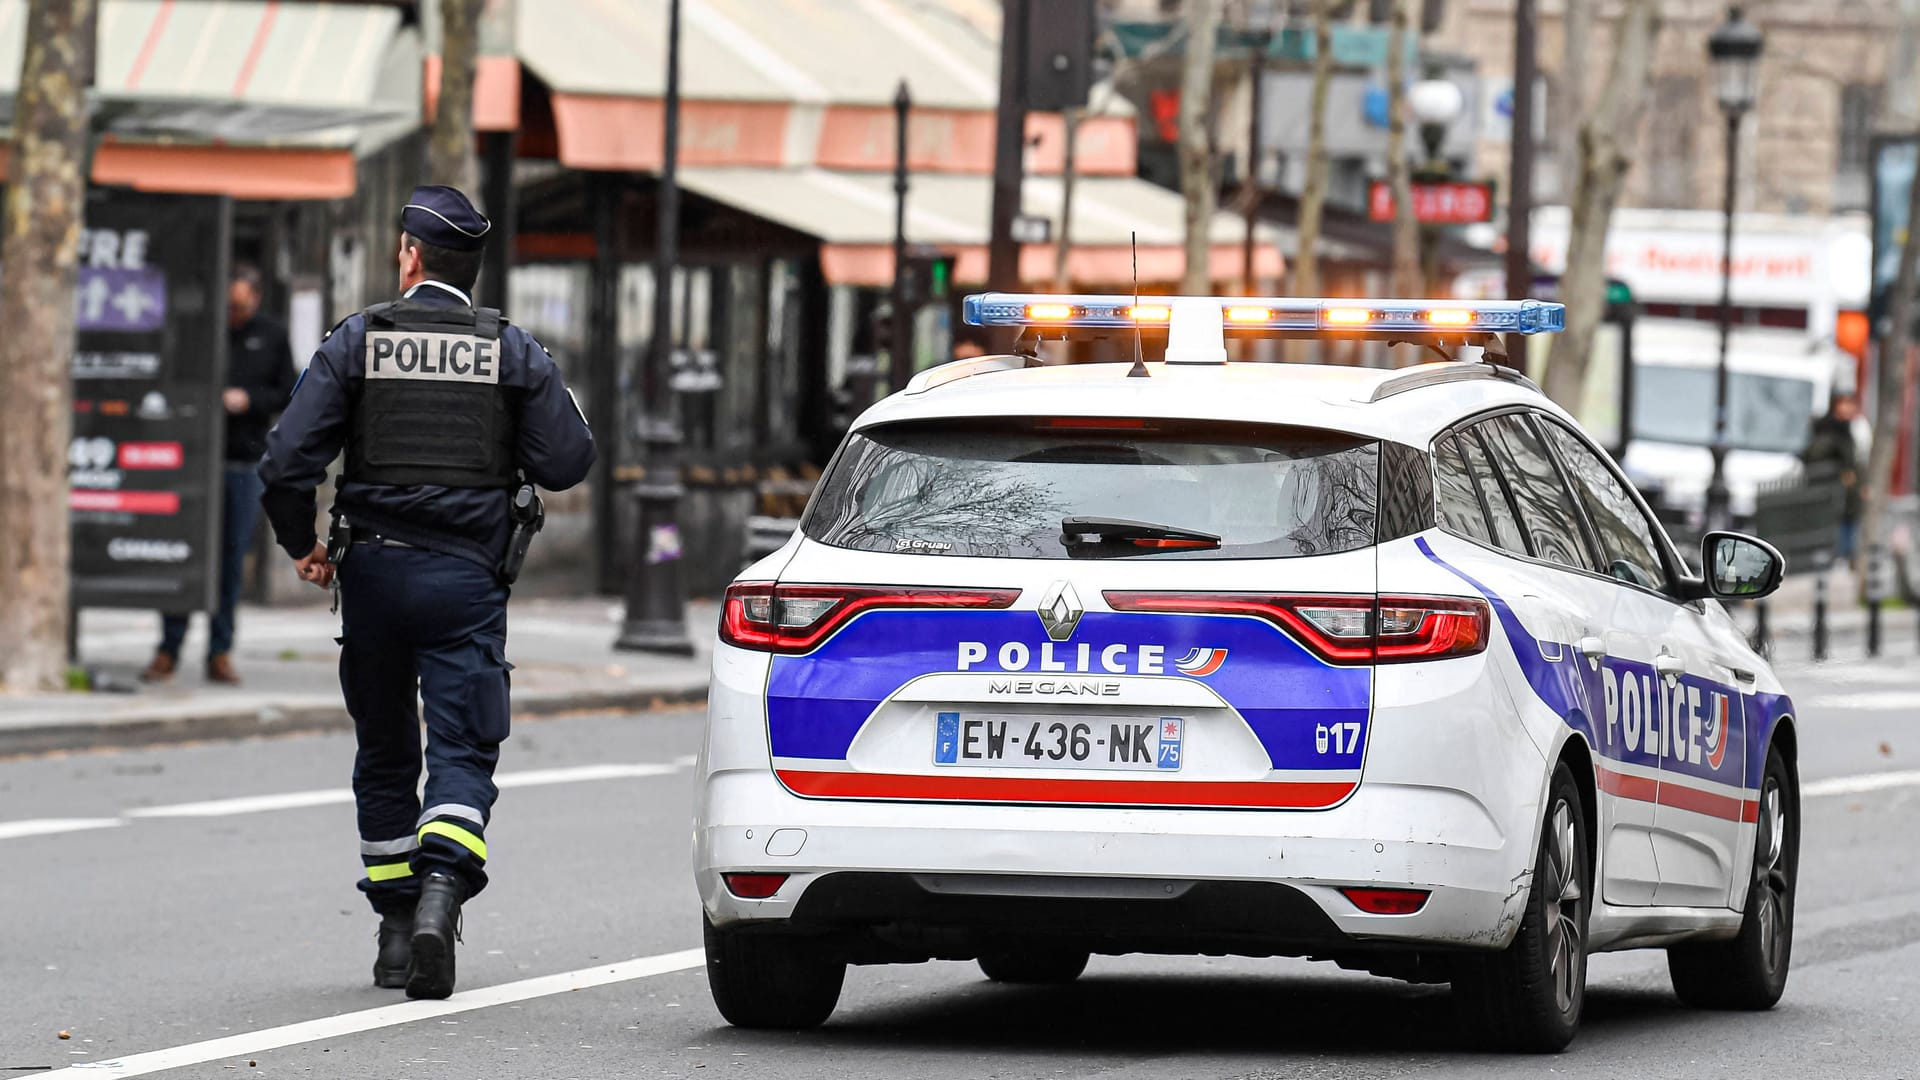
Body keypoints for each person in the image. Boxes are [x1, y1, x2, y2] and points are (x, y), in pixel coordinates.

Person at [257, 186, 595, 1000]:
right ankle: (444, 893)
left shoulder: (358, 340)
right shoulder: (511, 349)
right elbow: (569, 461)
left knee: (383, 750)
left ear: (409, 255)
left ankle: (396, 934)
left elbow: (284, 462)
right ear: (471, 267)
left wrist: (303, 546)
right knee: (462, 748)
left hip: (371, 574)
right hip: (467, 583)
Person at [142, 263, 298, 686]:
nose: (234, 314)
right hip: (195, 460)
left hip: (242, 462)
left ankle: (220, 650)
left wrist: (248, 400)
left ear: (256, 299)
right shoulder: (201, 331)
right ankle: (168, 647)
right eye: (228, 305)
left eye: (241, 306)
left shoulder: (270, 334)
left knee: (231, 559)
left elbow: (289, 390)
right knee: (184, 553)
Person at [1804, 392, 1862, 560]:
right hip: (1828, 489)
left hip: (1846, 494)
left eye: (1851, 404)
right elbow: (1816, 456)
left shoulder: (1848, 429)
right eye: (1844, 403)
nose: (1848, 408)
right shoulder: (1827, 429)